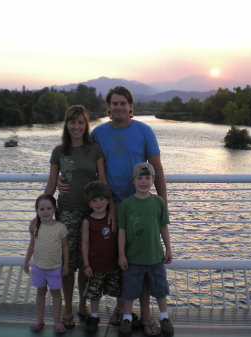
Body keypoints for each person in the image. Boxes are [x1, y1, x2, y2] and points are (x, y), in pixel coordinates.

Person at [59, 86, 168, 330]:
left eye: (123, 103)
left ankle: (138, 312)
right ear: (108, 108)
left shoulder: (144, 131)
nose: (118, 107)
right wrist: (60, 177)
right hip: (104, 208)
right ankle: (95, 307)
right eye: (114, 104)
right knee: (103, 257)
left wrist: (162, 204)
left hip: (139, 205)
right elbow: (78, 157)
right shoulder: (98, 133)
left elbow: (157, 168)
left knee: (139, 259)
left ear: (131, 107)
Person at [38, 104, 108, 329]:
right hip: (66, 213)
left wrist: (110, 210)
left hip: (91, 214)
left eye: (80, 122)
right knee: (68, 265)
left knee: (86, 262)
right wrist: (39, 215)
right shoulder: (59, 151)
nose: (76, 126)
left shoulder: (94, 149)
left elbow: (102, 182)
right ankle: (67, 308)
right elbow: (51, 183)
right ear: (66, 124)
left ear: (86, 124)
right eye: (72, 122)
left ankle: (82, 305)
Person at [117, 162, 174, 337]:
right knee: (130, 290)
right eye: (139, 178)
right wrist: (121, 254)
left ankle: (164, 317)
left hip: (155, 258)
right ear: (133, 181)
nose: (143, 181)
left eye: (147, 177)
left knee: (160, 288)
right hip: (133, 258)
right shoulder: (126, 205)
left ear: (153, 180)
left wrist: (168, 249)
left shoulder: (158, 202)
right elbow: (122, 231)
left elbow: (163, 227)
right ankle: (126, 317)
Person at [81, 181, 123, 333]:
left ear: (107, 200)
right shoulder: (87, 221)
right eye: (94, 200)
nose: (98, 203)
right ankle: (94, 316)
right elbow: (85, 244)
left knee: (119, 290)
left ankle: (121, 312)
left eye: (101, 199)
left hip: (113, 264)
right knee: (94, 293)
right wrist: (86, 264)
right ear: (89, 203)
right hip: (95, 266)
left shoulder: (113, 218)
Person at [23, 194, 69, 334]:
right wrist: (26, 262)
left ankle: (57, 321)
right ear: (37, 211)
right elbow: (32, 245)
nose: (46, 212)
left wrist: (66, 265)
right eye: (42, 209)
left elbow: (65, 247)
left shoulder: (60, 227)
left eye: (49, 208)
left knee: (56, 294)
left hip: (55, 268)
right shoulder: (36, 226)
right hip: (39, 268)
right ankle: (39, 320)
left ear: (54, 209)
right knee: (40, 293)